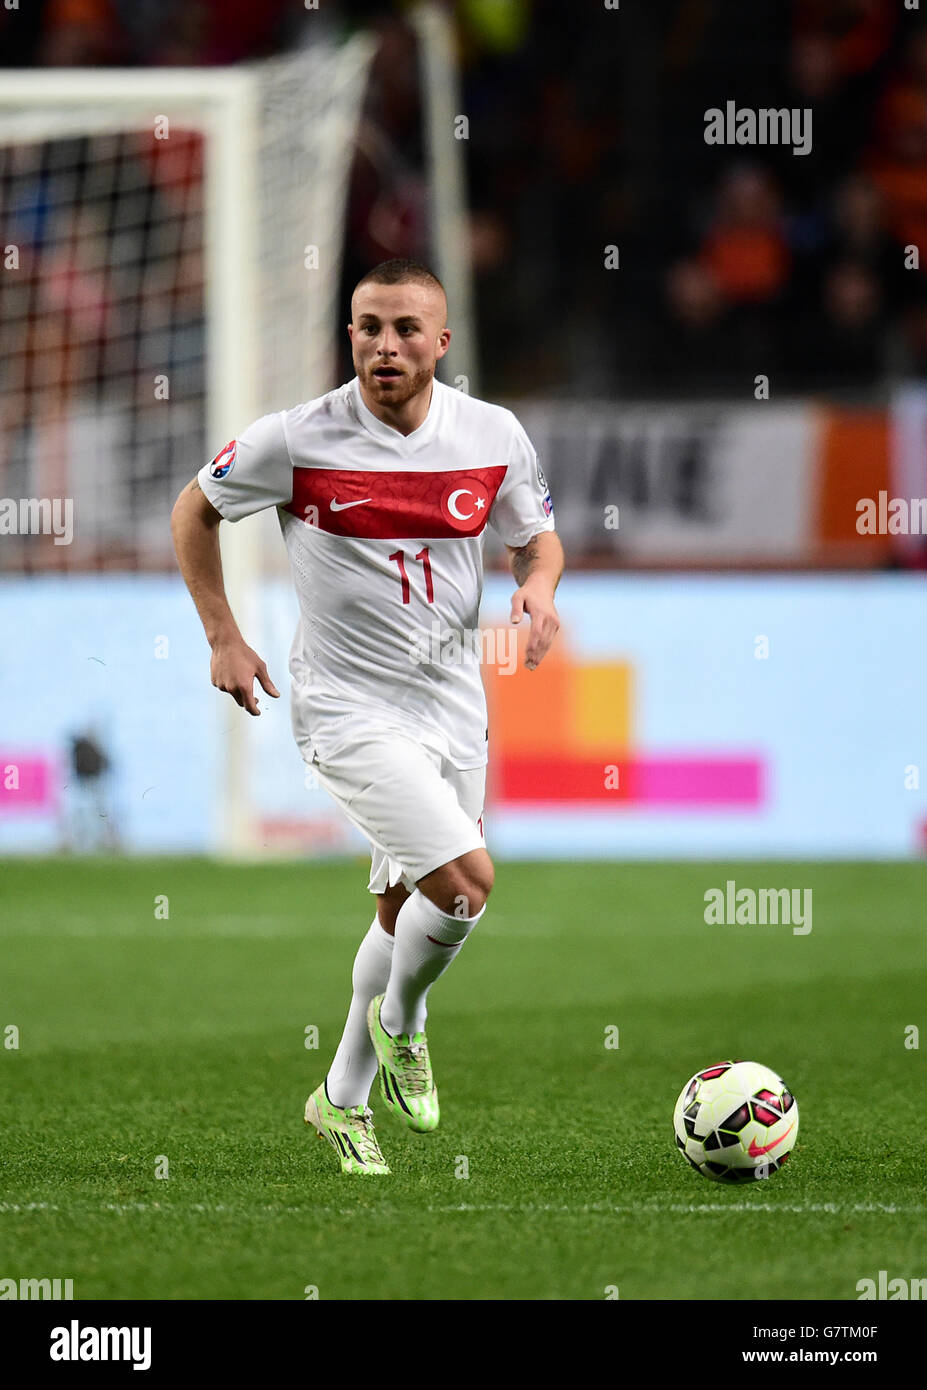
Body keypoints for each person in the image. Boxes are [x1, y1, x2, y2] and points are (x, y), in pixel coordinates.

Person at [171, 258, 563, 1173]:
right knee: (464, 885)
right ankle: (405, 1024)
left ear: (440, 343)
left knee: (401, 907)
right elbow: (195, 510)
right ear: (349, 334)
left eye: (403, 329)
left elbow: (533, 537)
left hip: (452, 706)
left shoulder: (492, 433)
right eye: (367, 327)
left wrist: (538, 593)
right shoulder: (297, 439)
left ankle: (340, 1101)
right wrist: (223, 635)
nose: (384, 345)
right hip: (347, 709)